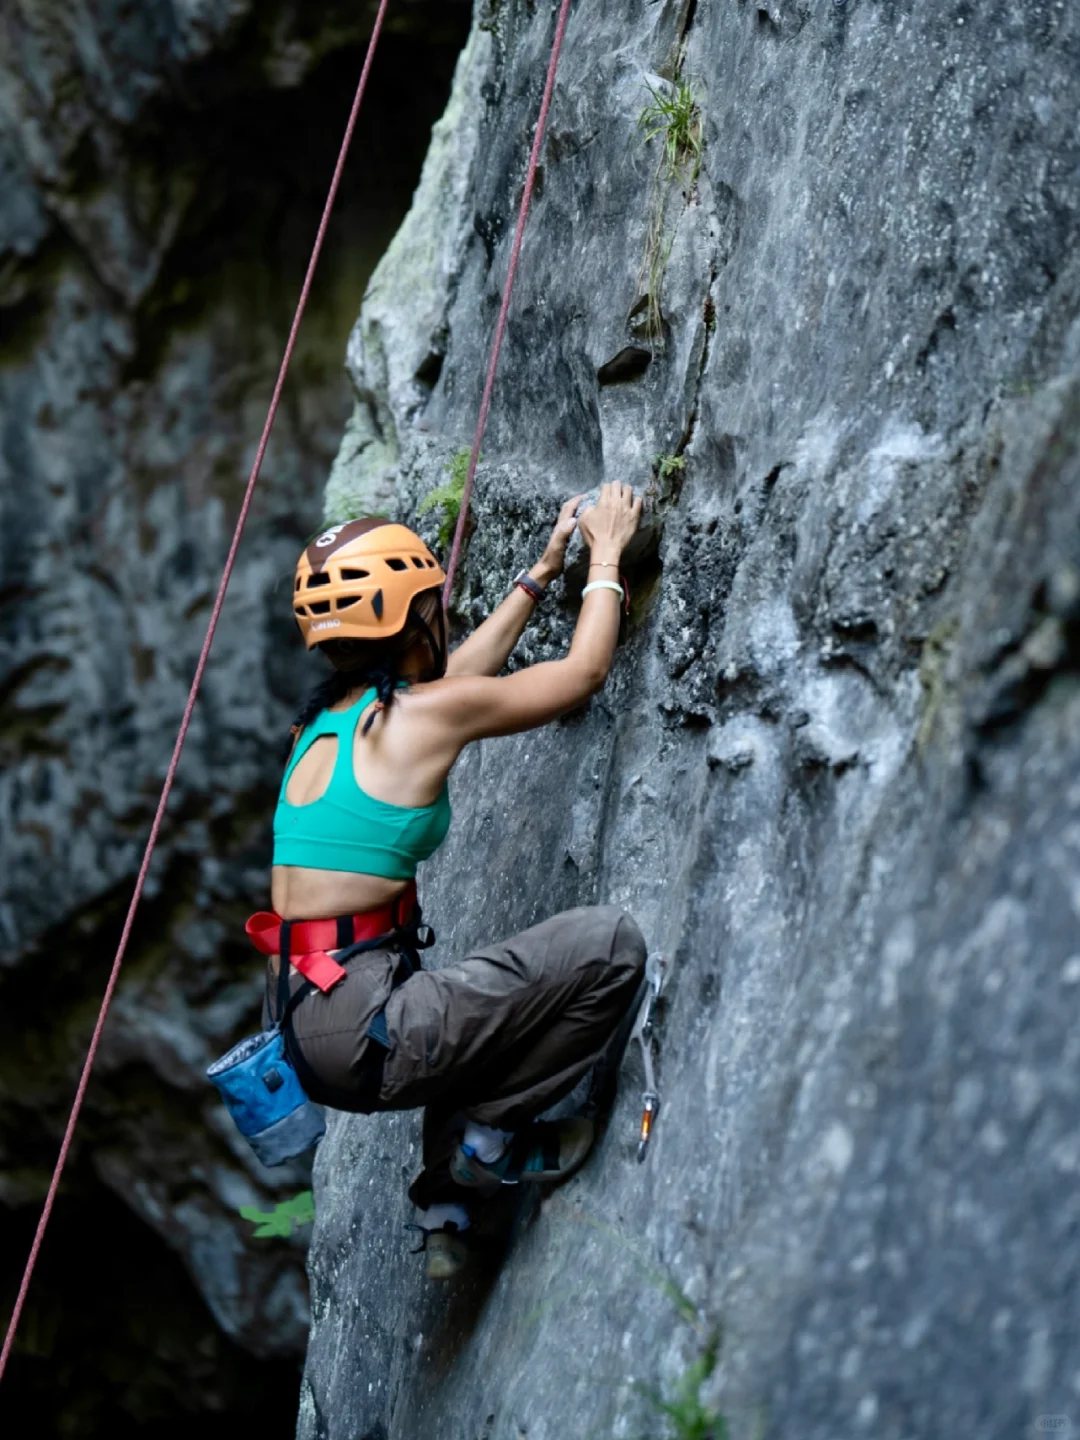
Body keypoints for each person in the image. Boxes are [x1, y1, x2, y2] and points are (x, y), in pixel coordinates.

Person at [260, 483, 647, 1278]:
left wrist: (539, 576)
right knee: (608, 947)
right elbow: (580, 675)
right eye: (435, 602)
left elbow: (450, 690)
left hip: (306, 1021)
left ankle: (447, 1207)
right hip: (367, 1021)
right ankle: (484, 1144)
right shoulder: (415, 719)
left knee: (470, 1016)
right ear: (417, 618)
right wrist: (605, 554)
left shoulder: (324, 726)